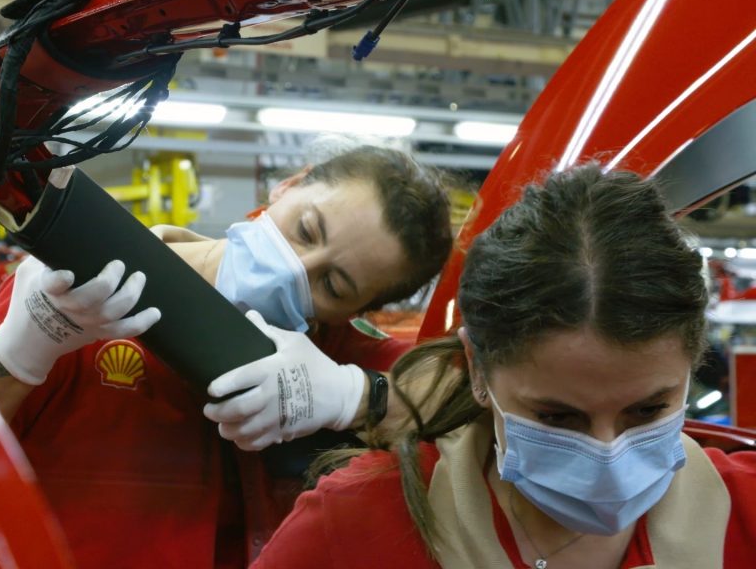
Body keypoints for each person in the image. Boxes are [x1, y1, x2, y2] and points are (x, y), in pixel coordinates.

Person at [0, 143, 454, 569]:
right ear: (287, 186)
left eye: (332, 284)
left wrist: (354, 394)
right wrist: (17, 353)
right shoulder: (85, 289)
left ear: (356, 311)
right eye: (306, 230)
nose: (294, 268)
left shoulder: (331, 354)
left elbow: (475, 395)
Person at [251, 164, 756, 569]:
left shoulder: (745, 511)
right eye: (558, 418)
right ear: (476, 369)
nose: (608, 456)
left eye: (648, 410)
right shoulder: (358, 523)